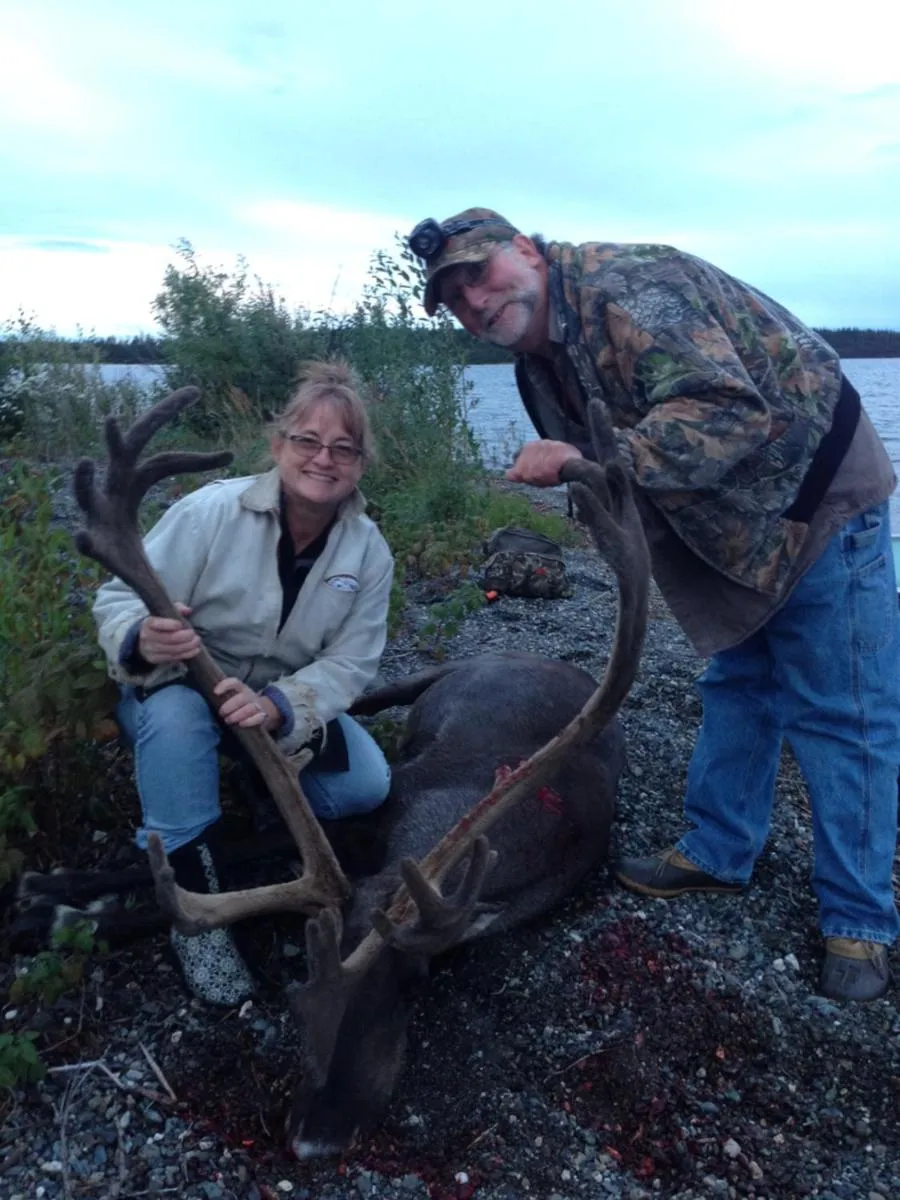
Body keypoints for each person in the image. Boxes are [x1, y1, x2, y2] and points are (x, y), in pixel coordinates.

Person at [407, 208, 899, 1002]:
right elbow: (612, 474)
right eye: (456, 301)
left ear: (526, 251)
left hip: (815, 498)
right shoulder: (539, 357)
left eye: (480, 275)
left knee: (843, 711)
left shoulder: (629, 286)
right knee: (738, 683)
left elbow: (731, 410)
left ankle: (860, 922)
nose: (476, 303)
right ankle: (718, 851)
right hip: (730, 522)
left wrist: (587, 458)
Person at [93, 361, 394, 1005]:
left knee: (367, 785)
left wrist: (283, 707)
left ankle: (245, 787)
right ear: (278, 444)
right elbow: (118, 598)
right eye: (307, 441)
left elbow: (352, 661)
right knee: (176, 723)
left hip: (271, 711)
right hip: (176, 690)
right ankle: (193, 910)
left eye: (343, 448)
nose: (323, 459)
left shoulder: (368, 551)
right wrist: (145, 638)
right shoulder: (210, 512)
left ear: (361, 464)